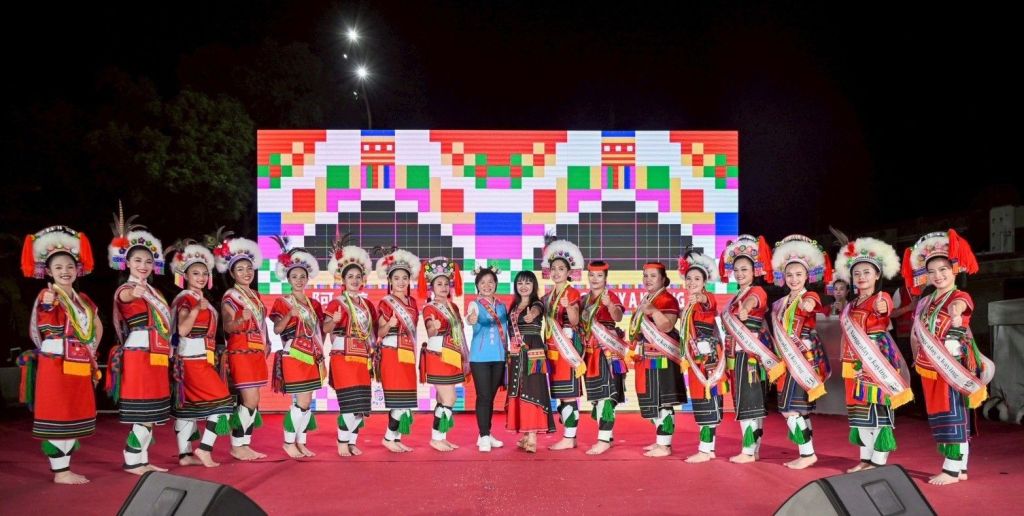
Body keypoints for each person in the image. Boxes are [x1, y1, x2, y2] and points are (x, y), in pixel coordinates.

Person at [904, 229, 993, 485]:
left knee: (954, 414)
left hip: (952, 365)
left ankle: (952, 469)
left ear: (955, 269)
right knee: (942, 415)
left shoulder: (959, 296)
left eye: (943, 269)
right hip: (930, 366)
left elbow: (961, 306)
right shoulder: (926, 301)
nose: (938, 275)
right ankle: (960, 467)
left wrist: (956, 312)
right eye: (932, 271)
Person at [19, 226, 101, 483]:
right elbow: (46, 317)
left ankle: (64, 468)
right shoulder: (49, 295)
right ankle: (60, 471)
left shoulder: (82, 298)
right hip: (56, 362)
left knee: (74, 412)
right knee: (58, 412)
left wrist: (91, 350)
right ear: (49, 271)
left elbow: (97, 325)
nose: (65, 271)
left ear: (77, 269)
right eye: (58, 267)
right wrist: (49, 302)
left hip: (79, 360)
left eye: (70, 266)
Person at [834, 236, 911, 472]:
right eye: (857, 273)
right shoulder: (851, 304)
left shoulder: (881, 297)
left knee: (877, 409)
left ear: (877, 275)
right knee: (859, 413)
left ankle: (878, 460)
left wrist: (882, 308)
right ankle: (865, 458)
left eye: (867, 272)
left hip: (875, 360)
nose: (861, 277)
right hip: (852, 363)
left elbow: (885, 308)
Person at [107, 206, 173, 474]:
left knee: (153, 409)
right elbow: (125, 298)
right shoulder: (126, 288)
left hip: (157, 351)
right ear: (127, 262)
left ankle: (142, 458)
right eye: (137, 260)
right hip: (139, 352)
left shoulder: (154, 292)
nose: (143, 265)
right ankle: (133, 459)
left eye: (147, 261)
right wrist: (135, 292)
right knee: (143, 407)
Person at [168, 240, 234, 468]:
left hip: (197, 359)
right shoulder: (186, 299)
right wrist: (197, 309)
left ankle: (185, 455)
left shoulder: (196, 298)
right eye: (195, 273)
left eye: (205, 273)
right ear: (185, 275)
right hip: (192, 360)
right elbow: (182, 330)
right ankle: (204, 450)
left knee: (188, 409)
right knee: (224, 404)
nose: (202, 277)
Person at [768, 235, 831, 470]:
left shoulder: (808, 296)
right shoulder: (780, 303)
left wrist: (808, 305)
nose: (794, 279)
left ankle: (808, 454)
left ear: (807, 276)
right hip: (787, 360)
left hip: (803, 360)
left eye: (798, 274)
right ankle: (806, 453)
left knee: (790, 409)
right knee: (798, 410)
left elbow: (812, 304)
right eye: (790, 275)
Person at [718, 235, 782, 464]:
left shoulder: (756, 291)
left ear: (755, 271)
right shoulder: (735, 296)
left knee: (750, 403)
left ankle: (748, 450)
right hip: (738, 355)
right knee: (748, 402)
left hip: (750, 356)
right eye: (736, 269)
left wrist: (745, 308)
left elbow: (754, 301)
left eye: (744, 269)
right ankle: (753, 450)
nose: (739, 273)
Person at [214, 233, 269, 461]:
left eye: (248, 268)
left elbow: (261, 323)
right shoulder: (231, 296)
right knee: (249, 399)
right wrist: (239, 319)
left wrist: (267, 343)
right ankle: (237, 445)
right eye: (240, 269)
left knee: (254, 400)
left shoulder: (255, 295)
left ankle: (244, 444)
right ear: (232, 273)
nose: (246, 272)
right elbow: (227, 326)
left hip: (256, 351)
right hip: (240, 350)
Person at [269, 240, 325, 459]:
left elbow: (320, 333)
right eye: (294, 276)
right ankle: (288, 442)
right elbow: (277, 329)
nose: (299, 280)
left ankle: (301, 442)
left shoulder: (314, 305)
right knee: (301, 401)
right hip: (293, 354)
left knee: (307, 402)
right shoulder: (282, 302)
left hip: (312, 355)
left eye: (302, 276)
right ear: (288, 279)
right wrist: (289, 315)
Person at [324, 244, 376, 457]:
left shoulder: (367, 305)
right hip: (343, 356)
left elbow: (373, 332)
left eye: (358, 276)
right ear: (343, 280)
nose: (354, 280)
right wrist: (333, 321)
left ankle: (352, 442)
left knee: (361, 406)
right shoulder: (337, 303)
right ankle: (342, 442)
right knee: (349, 403)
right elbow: (325, 329)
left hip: (362, 357)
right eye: (350, 276)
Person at [629, 261, 686, 457]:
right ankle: (660, 440)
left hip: (663, 357)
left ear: (663, 279)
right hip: (647, 357)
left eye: (653, 276)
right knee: (652, 400)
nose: (648, 279)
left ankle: (665, 445)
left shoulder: (668, 299)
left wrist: (653, 311)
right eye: (645, 275)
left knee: (663, 401)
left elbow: (667, 326)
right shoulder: (647, 299)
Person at [678, 251, 726, 463]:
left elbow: (708, 303)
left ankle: (705, 450)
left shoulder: (706, 298)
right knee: (700, 401)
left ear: (705, 282)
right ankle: (709, 449)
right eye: (689, 278)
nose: (692, 282)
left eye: (697, 279)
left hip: (708, 362)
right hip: (695, 361)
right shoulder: (688, 305)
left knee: (707, 402)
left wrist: (700, 297)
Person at [418, 257, 470, 452]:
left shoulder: (453, 307)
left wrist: (465, 356)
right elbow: (431, 330)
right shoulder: (429, 307)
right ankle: (436, 438)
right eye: (439, 284)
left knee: (442, 399)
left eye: (446, 284)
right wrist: (435, 327)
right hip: (438, 356)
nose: (443, 287)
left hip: (453, 356)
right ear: (431, 287)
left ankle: (440, 437)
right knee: (450, 398)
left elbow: (459, 332)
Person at [540, 240, 587, 451]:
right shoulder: (546, 297)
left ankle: (569, 437)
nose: (556, 272)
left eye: (561, 269)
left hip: (567, 348)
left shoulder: (572, 293)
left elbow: (575, 321)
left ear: (569, 272)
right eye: (553, 269)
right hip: (551, 350)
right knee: (560, 394)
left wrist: (569, 308)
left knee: (568, 394)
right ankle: (570, 435)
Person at [374, 248, 421, 453]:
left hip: (408, 352)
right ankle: (388, 438)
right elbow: (380, 332)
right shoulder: (385, 302)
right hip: (392, 352)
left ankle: (395, 438)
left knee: (405, 400)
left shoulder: (413, 302)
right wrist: (389, 324)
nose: (401, 282)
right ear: (390, 280)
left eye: (404, 278)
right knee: (398, 399)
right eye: (396, 278)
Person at [580, 260, 628, 455]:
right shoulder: (584, 300)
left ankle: (603, 440)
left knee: (606, 397)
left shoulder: (611, 296)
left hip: (607, 351)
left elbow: (618, 317)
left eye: (599, 276)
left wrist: (609, 305)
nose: (595, 279)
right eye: (592, 275)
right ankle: (608, 436)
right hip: (590, 353)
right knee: (597, 396)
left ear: (606, 278)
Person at [505, 271, 554, 453]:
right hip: (516, 353)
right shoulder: (513, 307)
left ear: (534, 285)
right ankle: (526, 433)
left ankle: (533, 435)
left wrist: (532, 315)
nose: (523, 286)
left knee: (533, 389)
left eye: (527, 283)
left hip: (533, 351)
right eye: (520, 283)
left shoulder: (537, 303)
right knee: (519, 389)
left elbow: (536, 311)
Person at [466, 265, 507, 452]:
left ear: (496, 284)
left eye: (491, 282)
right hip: (480, 357)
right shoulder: (474, 304)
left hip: (499, 357)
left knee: (490, 397)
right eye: (482, 282)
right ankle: (483, 436)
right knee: (483, 396)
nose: (487, 285)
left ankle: (486, 433)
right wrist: (471, 319)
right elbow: (470, 318)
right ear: (477, 286)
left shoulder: (502, 306)